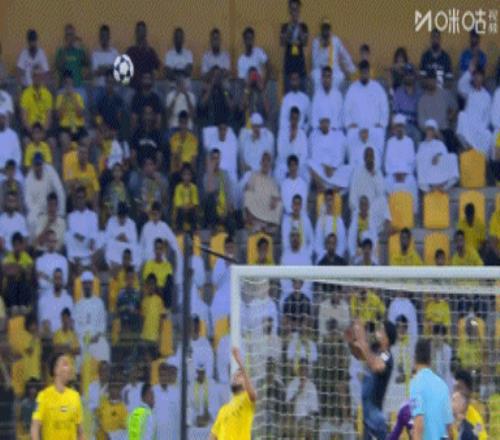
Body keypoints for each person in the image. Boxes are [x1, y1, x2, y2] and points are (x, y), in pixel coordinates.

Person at [346, 320, 397, 440]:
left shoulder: (387, 355)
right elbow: (358, 355)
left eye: (381, 330)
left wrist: (363, 343)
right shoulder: (375, 348)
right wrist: (352, 341)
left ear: (387, 338)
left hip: (375, 415)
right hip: (367, 415)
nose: (378, 331)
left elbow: (376, 365)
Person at [30, 353, 84, 440]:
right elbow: (35, 428)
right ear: (56, 370)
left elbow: (80, 432)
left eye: (70, 365)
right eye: (65, 364)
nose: (70, 368)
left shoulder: (75, 396)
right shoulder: (44, 396)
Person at [409, 338, 453, 440]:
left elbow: (419, 423)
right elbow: (449, 429)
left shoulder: (416, 383)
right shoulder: (442, 385)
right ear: (430, 360)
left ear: (414, 358)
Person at [210, 347, 256, 440]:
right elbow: (213, 436)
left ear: (246, 383)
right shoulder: (223, 410)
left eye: (239, 376)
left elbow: (253, 396)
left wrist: (240, 363)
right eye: (234, 376)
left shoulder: (247, 400)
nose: (235, 377)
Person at [344, 60, 388, 145]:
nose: (364, 75)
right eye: (362, 72)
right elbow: (346, 110)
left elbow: (384, 109)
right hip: (357, 132)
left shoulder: (378, 88)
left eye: (366, 72)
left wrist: (381, 124)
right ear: (359, 73)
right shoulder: (352, 89)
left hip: (374, 131)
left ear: (369, 72)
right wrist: (349, 124)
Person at [417, 70, 459, 152]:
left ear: (436, 81)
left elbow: (455, 106)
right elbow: (421, 122)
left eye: (433, 80)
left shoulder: (445, 94)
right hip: (429, 132)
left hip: (444, 129)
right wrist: (433, 131)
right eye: (429, 80)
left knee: (451, 143)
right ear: (426, 81)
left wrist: (451, 116)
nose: (431, 82)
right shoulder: (422, 100)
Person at [384, 114, 418, 212]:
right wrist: (395, 174)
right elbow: (387, 163)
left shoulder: (409, 142)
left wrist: (403, 174)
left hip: (406, 175)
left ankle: (412, 213)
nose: (399, 129)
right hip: (393, 175)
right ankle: (388, 214)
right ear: (394, 129)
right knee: (386, 182)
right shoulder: (390, 142)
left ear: (404, 128)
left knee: (411, 182)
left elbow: (412, 163)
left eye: (401, 126)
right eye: (397, 127)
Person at [310, 19, 355, 91]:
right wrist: (322, 48)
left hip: (334, 69)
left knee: (341, 77)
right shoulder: (316, 42)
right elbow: (314, 62)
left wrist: (352, 70)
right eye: (324, 28)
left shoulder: (336, 40)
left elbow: (345, 55)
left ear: (329, 29)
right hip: (321, 70)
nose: (325, 31)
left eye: (327, 28)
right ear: (321, 29)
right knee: (315, 76)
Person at [457, 66, 492, 157]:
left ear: (483, 79)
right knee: (461, 115)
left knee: (488, 135)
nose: (477, 79)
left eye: (479, 77)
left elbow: (487, 116)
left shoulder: (487, 96)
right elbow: (460, 86)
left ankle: (479, 156)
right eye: (475, 77)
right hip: (468, 124)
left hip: (479, 126)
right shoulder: (469, 91)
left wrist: (481, 127)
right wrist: (469, 71)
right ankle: (468, 147)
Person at [416, 119, 459, 192]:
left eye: (431, 130)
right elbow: (420, 161)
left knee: (453, 157)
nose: (429, 132)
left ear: (434, 132)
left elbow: (445, 159)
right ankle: (428, 188)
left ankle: (444, 186)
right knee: (419, 159)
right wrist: (428, 159)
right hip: (428, 173)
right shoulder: (421, 145)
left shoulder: (440, 144)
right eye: (428, 130)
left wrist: (438, 155)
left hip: (439, 171)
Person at [280, 0, 308, 91]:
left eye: (296, 9)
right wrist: (291, 26)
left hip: (300, 67)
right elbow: (282, 42)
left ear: (299, 10)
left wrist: (298, 25)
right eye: (292, 9)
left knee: (302, 95)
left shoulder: (303, 26)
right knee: (288, 95)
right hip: (288, 67)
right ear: (289, 11)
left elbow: (304, 42)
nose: (294, 12)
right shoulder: (284, 26)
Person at [454, 370, 487, 440]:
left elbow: (478, 436)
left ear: (469, 391)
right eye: (455, 388)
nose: (457, 393)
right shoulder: (448, 415)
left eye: (460, 388)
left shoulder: (477, 421)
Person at [126, 21, 160, 90]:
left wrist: (147, 51)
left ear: (145, 34)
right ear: (136, 33)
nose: (141, 34)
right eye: (139, 31)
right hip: (133, 86)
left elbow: (157, 66)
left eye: (143, 32)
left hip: (148, 86)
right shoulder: (130, 51)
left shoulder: (150, 51)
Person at [310, 65, 343, 130]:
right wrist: (319, 127)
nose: (326, 79)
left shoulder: (338, 95)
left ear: (332, 79)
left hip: (335, 130)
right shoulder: (317, 95)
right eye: (324, 76)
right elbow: (314, 116)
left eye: (328, 76)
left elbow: (341, 116)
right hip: (319, 130)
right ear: (321, 79)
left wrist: (332, 128)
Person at [91, 24, 119, 90]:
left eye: (106, 36)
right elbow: (95, 73)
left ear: (109, 37)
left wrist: (102, 69)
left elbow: (117, 73)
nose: (104, 38)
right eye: (102, 36)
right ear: (100, 37)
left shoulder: (114, 53)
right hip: (99, 87)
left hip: (112, 87)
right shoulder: (95, 53)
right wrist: (110, 68)